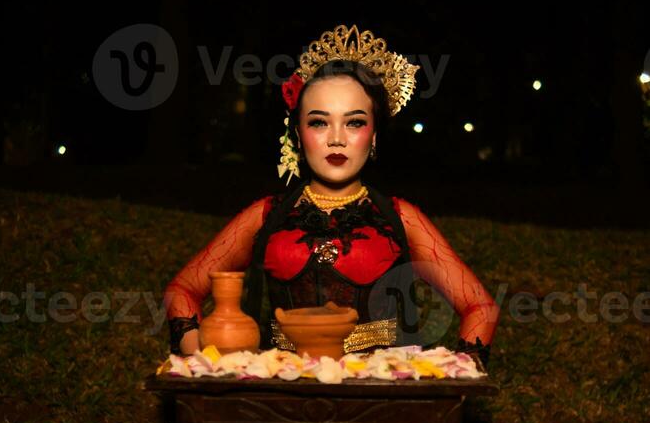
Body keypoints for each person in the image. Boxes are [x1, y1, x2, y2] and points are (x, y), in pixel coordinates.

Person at [163, 24, 500, 368]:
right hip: (282, 388)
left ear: (374, 135)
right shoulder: (266, 215)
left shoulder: (400, 217)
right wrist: (208, 364)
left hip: (379, 392)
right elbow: (182, 290)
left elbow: (480, 308)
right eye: (319, 123)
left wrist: (456, 373)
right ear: (297, 133)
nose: (336, 138)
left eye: (354, 123)